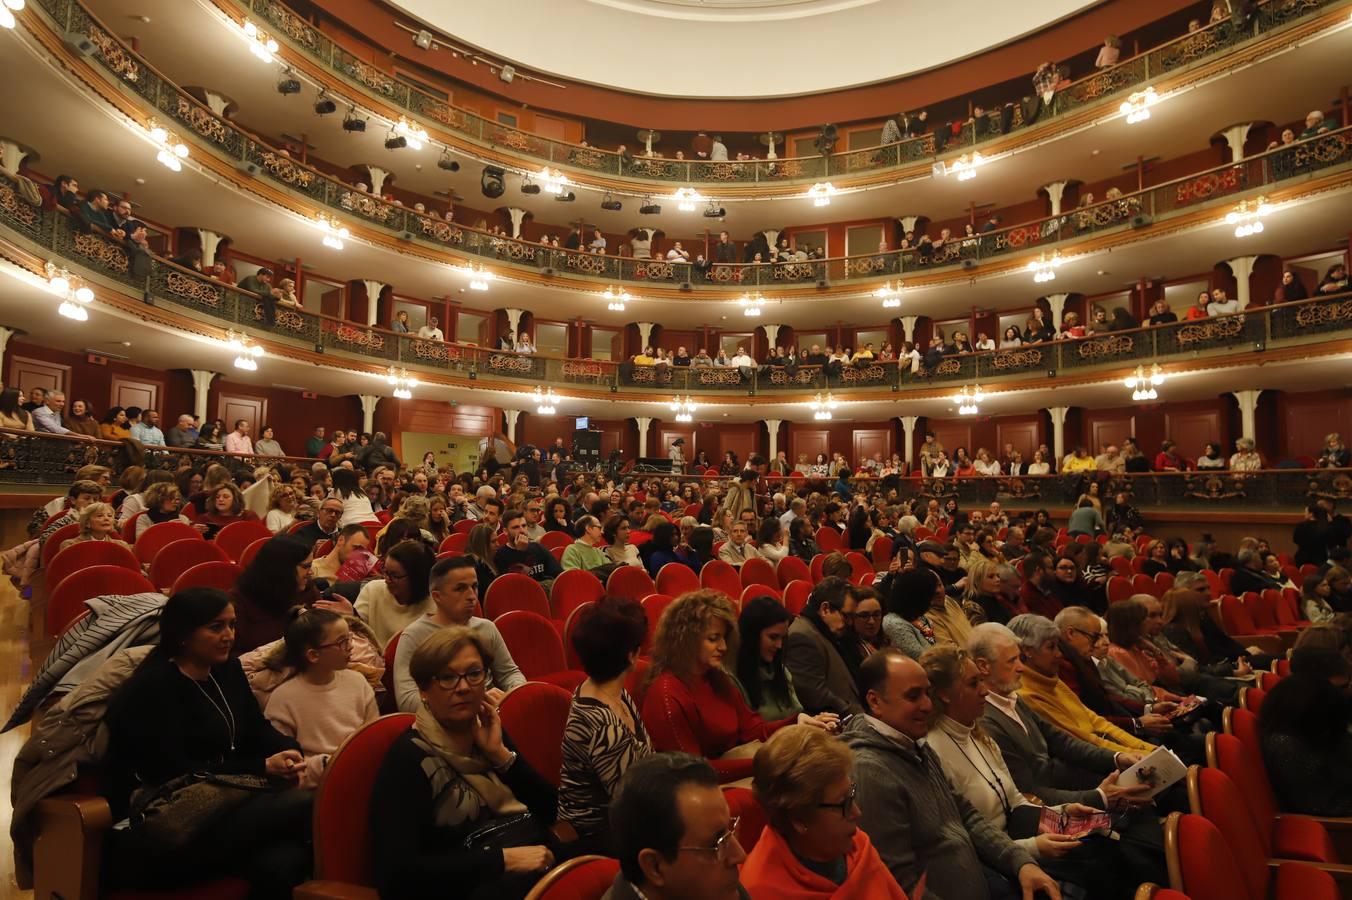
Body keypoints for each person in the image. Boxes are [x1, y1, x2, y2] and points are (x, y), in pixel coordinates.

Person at [102, 588, 311, 899]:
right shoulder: (153, 687)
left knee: (282, 864)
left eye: (232, 625)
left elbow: (256, 729)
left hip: (226, 807)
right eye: (216, 627)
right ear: (183, 634)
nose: (228, 635)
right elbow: (171, 771)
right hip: (168, 826)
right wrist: (262, 767)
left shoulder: (227, 669)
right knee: (305, 804)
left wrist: (288, 748)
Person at [844, 649, 1060, 899]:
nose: (927, 704)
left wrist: (1021, 862)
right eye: (913, 696)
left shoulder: (915, 744)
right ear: (875, 702)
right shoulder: (870, 771)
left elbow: (967, 816)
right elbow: (899, 881)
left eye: (927, 692)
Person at [369, 626, 565, 900]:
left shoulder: (487, 733)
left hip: (528, 856)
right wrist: (501, 861)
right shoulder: (409, 758)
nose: (463, 687)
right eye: (447, 678)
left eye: (474, 674)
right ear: (424, 690)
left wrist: (500, 756)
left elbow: (552, 810)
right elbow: (397, 874)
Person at [641, 590, 837, 783]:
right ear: (685, 639)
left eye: (724, 638)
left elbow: (752, 730)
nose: (724, 647)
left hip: (734, 774)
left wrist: (797, 722)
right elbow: (692, 771)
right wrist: (765, 763)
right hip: (703, 791)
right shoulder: (667, 694)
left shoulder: (715, 678)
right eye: (713, 638)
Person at [970, 622, 1147, 808]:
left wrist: (1117, 757)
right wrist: (1099, 797)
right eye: (1011, 661)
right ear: (983, 666)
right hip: (1058, 807)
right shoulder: (987, 722)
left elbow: (1062, 741)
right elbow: (1030, 791)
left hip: (1071, 783)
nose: (1021, 667)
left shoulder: (1012, 697)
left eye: (1019, 659)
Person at [741, 725, 909, 899]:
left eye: (851, 795)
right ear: (798, 819)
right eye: (842, 804)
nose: (856, 812)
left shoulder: (856, 846)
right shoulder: (762, 892)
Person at [558, 598, 652, 840]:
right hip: (600, 833)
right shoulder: (604, 724)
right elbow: (632, 805)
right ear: (631, 656)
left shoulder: (609, 690)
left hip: (628, 813)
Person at [604, 753, 750, 900]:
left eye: (728, 832)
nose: (740, 855)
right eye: (716, 844)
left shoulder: (720, 890)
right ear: (655, 867)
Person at [393, 555, 525, 713]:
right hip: (445, 722)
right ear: (437, 596)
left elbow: (510, 673)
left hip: (491, 713)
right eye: (460, 589)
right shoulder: (414, 636)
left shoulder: (486, 628)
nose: (471, 596)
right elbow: (407, 700)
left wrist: (514, 694)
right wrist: (472, 700)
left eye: (474, 587)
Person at [1007, 614, 1154, 755]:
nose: (1059, 654)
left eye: (1058, 647)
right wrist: (1142, 754)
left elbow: (1096, 721)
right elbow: (1085, 740)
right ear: (1027, 651)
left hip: (1111, 752)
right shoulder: (1028, 695)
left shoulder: (1052, 680)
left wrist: (1147, 749)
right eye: (1051, 647)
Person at [264, 608, 380, 788]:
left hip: (362, 773)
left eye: (349, 638)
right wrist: (326, 765)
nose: (350, 647)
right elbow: (286, 764)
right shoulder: (284, 698)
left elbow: (373, 736)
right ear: (313, 655)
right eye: (342, 642)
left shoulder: (357, 682)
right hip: (316, 786)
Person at [1259, 644, 1352, 816]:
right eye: (1343, 687)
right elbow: (1328, 805)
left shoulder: (1316, 721)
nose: (1348, 691)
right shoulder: (1287, 747)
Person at [784, 577, 864, 716]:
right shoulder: (802, 637)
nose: (850, 623)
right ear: (825, 609)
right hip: (841, 725)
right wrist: (861, 715)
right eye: (847, 616)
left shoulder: (826, 631)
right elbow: (816, 697)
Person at [230, 536, 321, 655]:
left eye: (311, 565)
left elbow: (322, 635)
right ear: (282, 568)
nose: (311, 572)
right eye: (305, 566)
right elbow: (231, 654)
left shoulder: (307, 591)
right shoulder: (238, 601)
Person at [733, 596, 807, 722]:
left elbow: (797, 713)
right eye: (773, 637)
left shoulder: (781, 670)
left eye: (782, 638)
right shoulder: (732, 678)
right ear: (752, 635)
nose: (779, 645)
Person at [354, 539, 436, 647]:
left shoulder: (436, 604)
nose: (387, 579)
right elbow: (358, 637)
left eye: (395, 576)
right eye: (385, 572)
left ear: (417, 578)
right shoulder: (373, 590)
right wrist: (351, 615)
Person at [881, 568, 939, 660]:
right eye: (929, 595)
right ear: (918, 596)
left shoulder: (919, 617)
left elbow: (935, 645)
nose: (931, 601)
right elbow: (924, 660)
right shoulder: (894, 624)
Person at [495, 509, 563, 585]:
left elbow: (558, 574)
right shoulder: (501, 554)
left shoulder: (537, 547)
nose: (522, 530)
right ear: (505, 531)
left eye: (524, 526)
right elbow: (515, 584)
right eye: (515, 527)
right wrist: (520, 552)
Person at [57, 501, 130, 553]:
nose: (106, 518)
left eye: (109, 516)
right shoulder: (70, 545)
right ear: (87, 523)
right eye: (100, 516)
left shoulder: (122, 546)